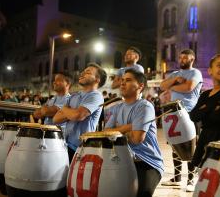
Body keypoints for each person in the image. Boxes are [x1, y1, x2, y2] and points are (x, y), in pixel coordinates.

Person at [104, 69, 163, 197]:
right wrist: (130, 126)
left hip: (147, 162)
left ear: (140, 86)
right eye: (122, 80)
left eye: (128, 80)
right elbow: (106, 133)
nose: (122, 83)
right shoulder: (118, 107)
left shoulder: (145, 106)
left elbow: (136, 138)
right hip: (125, 160)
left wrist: (119, 130)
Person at [159, 49, 203, 191]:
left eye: (186, 57)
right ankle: (177, 178)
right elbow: (162, 86)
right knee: (175, 145)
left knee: (191, 146)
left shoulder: (195, 73)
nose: (182, 59)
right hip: (173, 113)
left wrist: (172, 85)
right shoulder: (175, 74)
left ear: (192, 59)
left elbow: (189, 87)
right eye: (180, 57)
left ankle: (191, 179)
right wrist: (175, 81)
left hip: (189, 112)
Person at [190, 54, 220, 168]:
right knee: (204, 176)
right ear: (210, 71)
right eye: (219, 65)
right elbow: (193, 116)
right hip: (205, 137)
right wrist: (214, 106)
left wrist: (205, 108)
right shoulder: (205, 94)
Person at [53, 63, 107, 162]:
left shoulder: (96, 96)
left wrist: (64, 109)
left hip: (81, 148)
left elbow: (78, 115)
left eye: (88, 72)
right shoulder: (74, 96)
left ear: (97, 79)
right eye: (83, 72)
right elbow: (56, 119)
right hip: (65, 144)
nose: (82, 74)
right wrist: (72, 113)